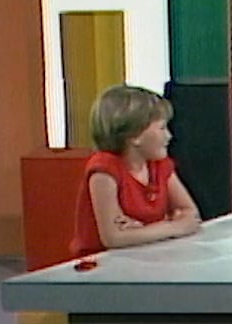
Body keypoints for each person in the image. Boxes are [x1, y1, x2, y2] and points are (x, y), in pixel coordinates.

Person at [70, 84, 202, 258]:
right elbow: (113, 238)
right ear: (135, 136)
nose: (169, 136)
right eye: (162, 128)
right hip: (101, 263)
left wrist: (142, 232)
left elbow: (191, 214)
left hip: (147, 255)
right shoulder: (104, 170)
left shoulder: (160, 165)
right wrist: (172, 226)